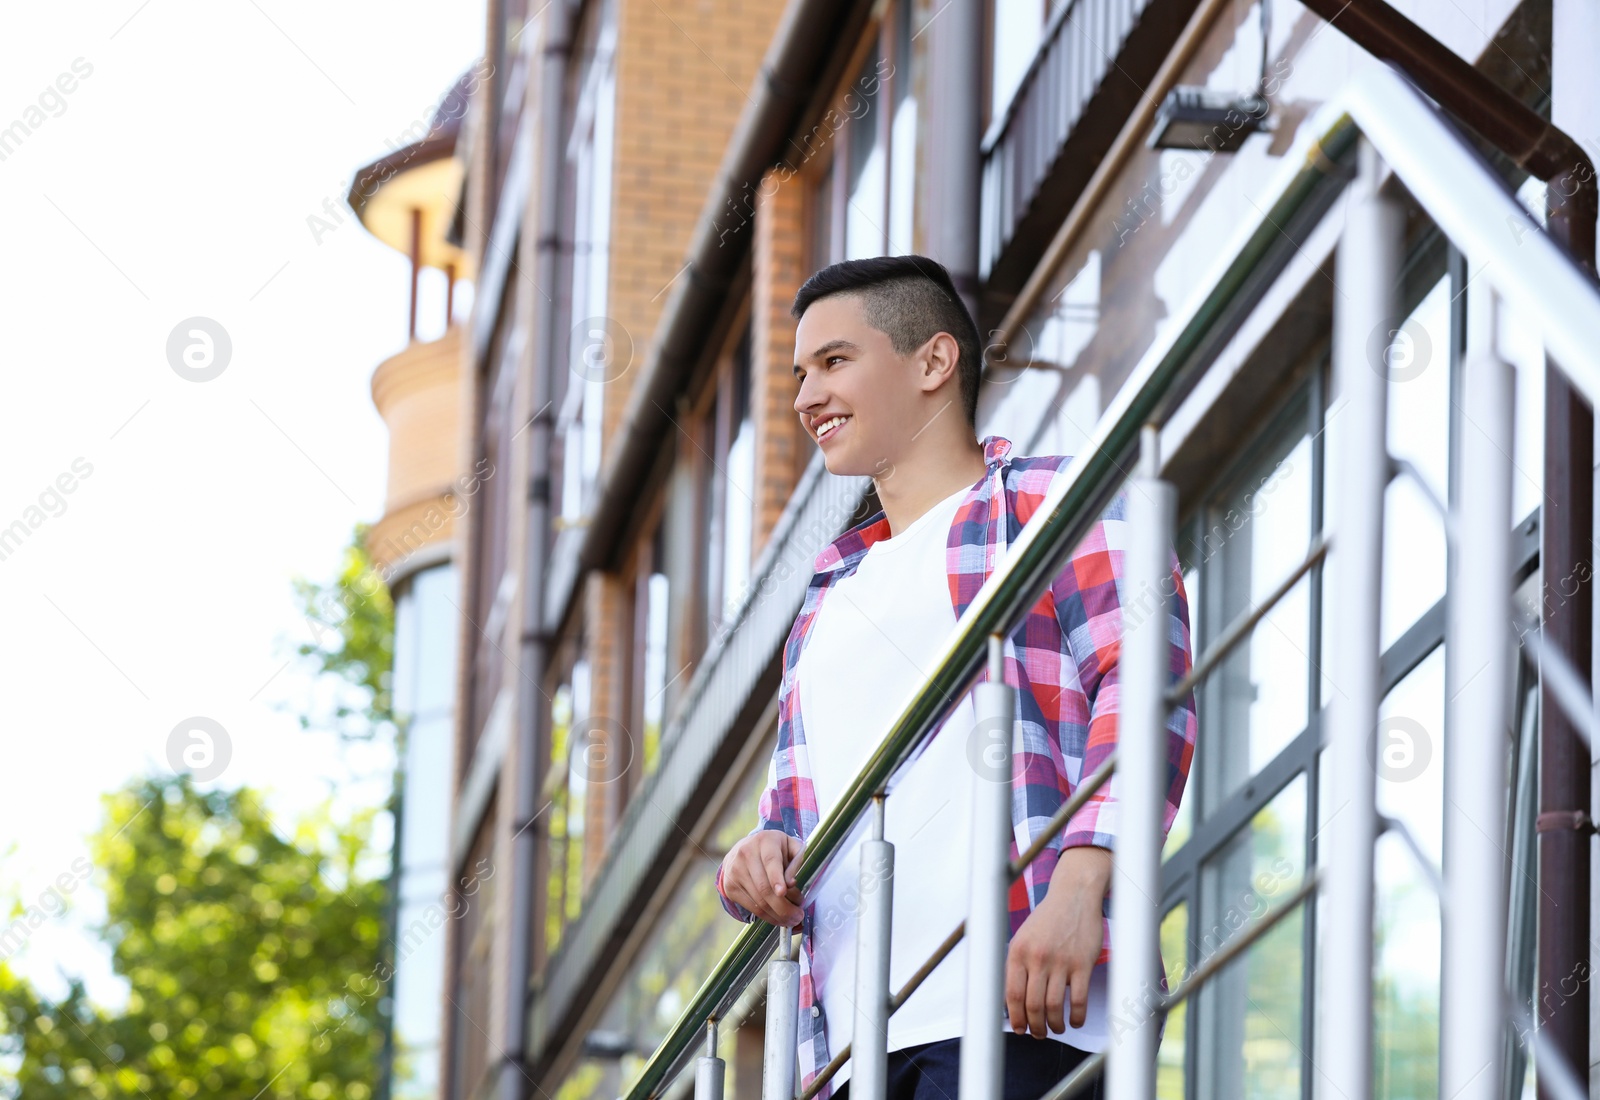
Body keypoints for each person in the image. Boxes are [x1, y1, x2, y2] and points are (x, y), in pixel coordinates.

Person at [715, 255, 1197, 1100]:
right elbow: (792, 818)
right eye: (799, 374)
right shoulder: (829, 595)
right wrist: (756, 858)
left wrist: (1083, 887)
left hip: (1023, 1009)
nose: (803, 398)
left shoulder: (1058, 504)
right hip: (847, 1052)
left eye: (833, 363)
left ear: (934, 363)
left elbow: (1144, 687)